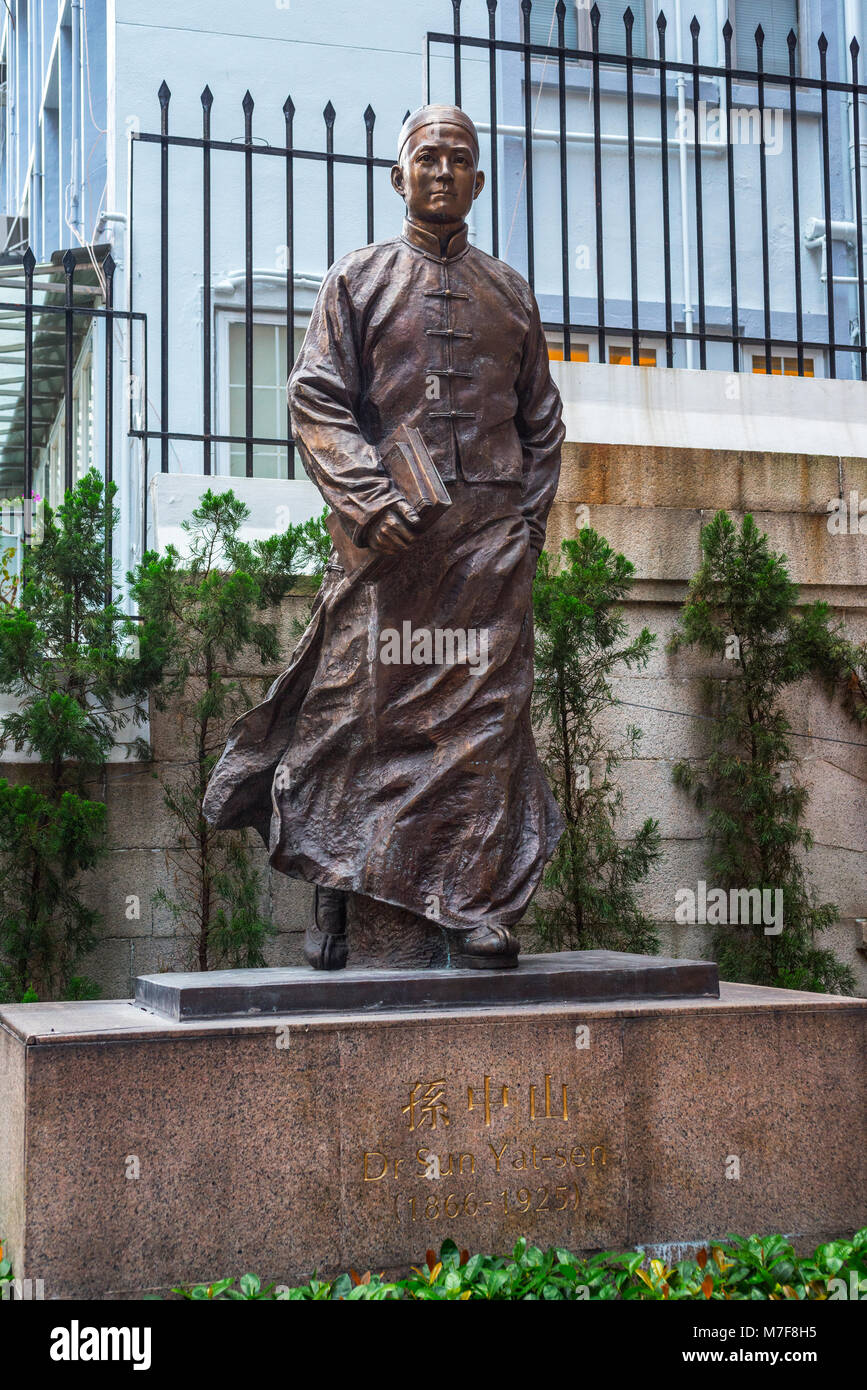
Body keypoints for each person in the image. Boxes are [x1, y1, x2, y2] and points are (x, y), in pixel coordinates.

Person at [203, 104, 565, 970]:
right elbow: (317, 398)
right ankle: (334, 885)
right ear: (399, 176)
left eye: (459, 159)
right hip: (389, 549)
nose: (442, 171)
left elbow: (541, 423)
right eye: (426, 157)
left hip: (487, 554)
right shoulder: (357, 281)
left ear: (477, 181)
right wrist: (367, 498)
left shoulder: (510, 292)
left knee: (482, 732)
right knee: (348, 720)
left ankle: (471, 904)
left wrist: (524, 526)